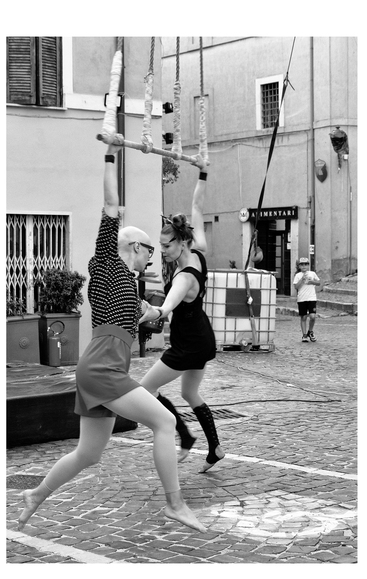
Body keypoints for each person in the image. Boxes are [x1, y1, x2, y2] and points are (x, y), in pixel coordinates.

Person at [18, 144, 207, 534]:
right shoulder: (106, 263)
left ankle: (36, 493)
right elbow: (110, 203)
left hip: (105, 364)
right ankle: (175, 504)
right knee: (165, 421)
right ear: (135, 247)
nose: (152, 258)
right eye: (149, 251)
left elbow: (149, 314)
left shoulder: (127, 285)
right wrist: (111, 154)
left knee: (88, 453)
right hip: (103, 365)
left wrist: (158, 310)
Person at [139, 157, 225, 473]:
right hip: (201, 337)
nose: (162, 251)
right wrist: (203, 171)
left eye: (166, 246)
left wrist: (153, 311)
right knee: (189, 392)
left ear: (182, 241)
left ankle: (184, 435)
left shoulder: (184, 277)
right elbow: (197, 206)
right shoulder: (198, 250)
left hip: (188, 343)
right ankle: (214, 448)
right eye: (160, 246)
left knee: (144, 390)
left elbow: (169, 304)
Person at [293, 257, 321, 342]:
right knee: (303, 317)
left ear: (308, 265)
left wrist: (311, 282)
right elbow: (296, 287)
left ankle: (310, 331)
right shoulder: (298, 275)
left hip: (312, 298)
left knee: (312, 316)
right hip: (302, 299)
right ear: (299, 266)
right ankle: (304, 335)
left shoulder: (312, 273)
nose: (304, 266)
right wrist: (302, 280)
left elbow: (319, 283)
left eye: (306, 264)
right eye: (302, 265)